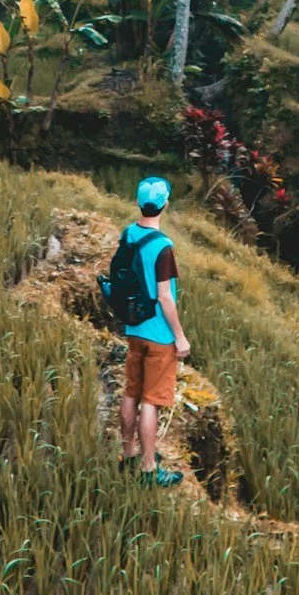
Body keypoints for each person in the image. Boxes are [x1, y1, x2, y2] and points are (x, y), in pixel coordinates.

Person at [116, 175, 189, 486]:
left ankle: (129, 454)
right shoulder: (163, 247)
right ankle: (148, 469)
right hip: (159, 334)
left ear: (138, 203)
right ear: (165, 204)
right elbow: (164, 296)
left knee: (131, 392)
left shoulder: (128, 234)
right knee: (151, 401)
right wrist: (180, 337)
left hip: (134, 326)